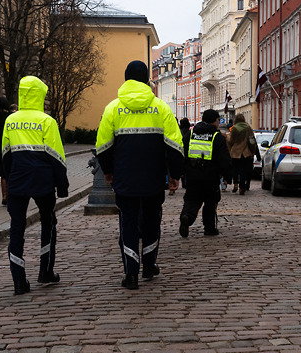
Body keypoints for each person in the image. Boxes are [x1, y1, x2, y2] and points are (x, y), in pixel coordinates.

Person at [95, 60, 184, 290]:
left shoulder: (113, 108)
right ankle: (149, 266)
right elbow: (175, 145)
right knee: (153, 222)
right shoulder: (161, 107)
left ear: (126, 78)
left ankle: (131, 273)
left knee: (128, 224)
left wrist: (108, 171)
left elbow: (103, 145)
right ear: (147, 80)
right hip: (154, 177)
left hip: (124, 177)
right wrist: (174, 174)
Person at [2, 76, 69, 295]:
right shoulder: (46, 121)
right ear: (40, 94)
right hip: (43, 181)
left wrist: (7, 179)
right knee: (48, 224)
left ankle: (19, 281)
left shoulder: (10, 121)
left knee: (17, 229)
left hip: (18, 180)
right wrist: (63, 185)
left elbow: (5, 155)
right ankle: (45, 271)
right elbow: (57, 157)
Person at [179, 108, 232, 238]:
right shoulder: (216, 136)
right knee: (210, 202)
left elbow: (182, 151)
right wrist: (227, 176)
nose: (219, 122)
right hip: (211, 176)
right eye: (218, 120)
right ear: (214, 121)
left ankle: (187, 217)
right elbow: (223, 158)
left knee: (191, 199)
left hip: (192, 174)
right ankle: (210, 228)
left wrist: (182, 170)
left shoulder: (191, 134)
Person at [227, 113, 259, 195]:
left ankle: (235, 185)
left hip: (235, 153)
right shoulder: (248, 128)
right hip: (246, 153)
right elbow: (252, 141)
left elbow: (231, 142)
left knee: (235, 170)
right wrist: (253, 151)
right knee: (243, 171)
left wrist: (228, 139)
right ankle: (242, 187)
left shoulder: (234, 129)